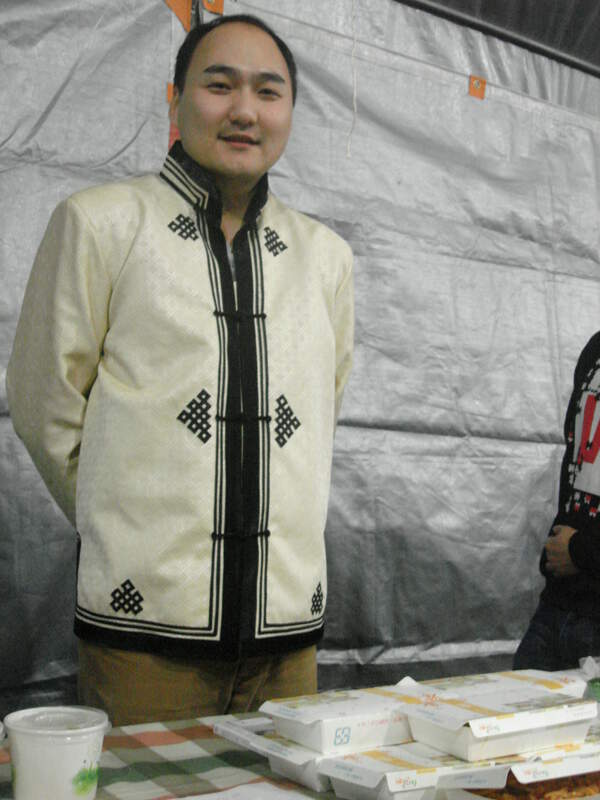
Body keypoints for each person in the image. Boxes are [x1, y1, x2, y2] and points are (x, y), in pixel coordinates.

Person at [6, 14, 354, 724]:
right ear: (175, 99)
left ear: (289, 112)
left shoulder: (326, 257)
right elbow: (45, 404)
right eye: (219, 85)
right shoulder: (100, 223)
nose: (245, 111)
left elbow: (324, 409)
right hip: (144, 637)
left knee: (284, 780)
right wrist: (127, 526)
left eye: (268, 92)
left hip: (287, 633)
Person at [514, 332, 600, 670]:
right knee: (514, 704)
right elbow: (576, 460)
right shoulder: (596, 348)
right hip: (560, 603)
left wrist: (581, 551)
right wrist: (558, 550)